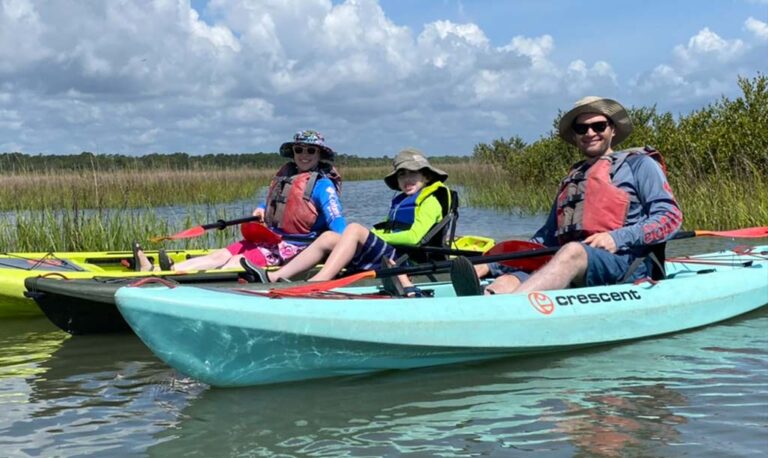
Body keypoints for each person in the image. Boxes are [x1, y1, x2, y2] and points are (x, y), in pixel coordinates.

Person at [452, 96, 683, 295]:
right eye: (582, 129)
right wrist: (494, 263)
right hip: (573, 264)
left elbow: (670, 218)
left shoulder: (639, 165)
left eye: (599, 126)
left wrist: (616, 238)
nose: (590, 133)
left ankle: (514, 309)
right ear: (574, 136)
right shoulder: (573, 177)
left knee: (573, 250)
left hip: (628, 264)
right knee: (505, 281)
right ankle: (488, 303)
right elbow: (544, 240)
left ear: (612, 130)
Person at [242, 148, 452, 294]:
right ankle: (274, 277)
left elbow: (415, 238)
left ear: (425, 175)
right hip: (395, 253)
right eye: (402, 175)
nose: (406, 180)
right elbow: (389, 228)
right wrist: (367, 235)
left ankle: (320, 281)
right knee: (329, 236)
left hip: (411, 261)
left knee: (353, 229)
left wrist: (368, 235)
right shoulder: (403, 200)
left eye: (412, 174)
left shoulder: (432, 199)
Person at [135, 130, 346, 272]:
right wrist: (261, 209)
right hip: (272, 240)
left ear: (319, 154)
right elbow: (276, 205)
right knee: (221, 254)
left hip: (297, 247)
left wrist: (333, 253)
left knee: (236, 262)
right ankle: (167, 270)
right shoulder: (286, 178)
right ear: (293, 152)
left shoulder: (323, 186)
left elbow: (338, 226)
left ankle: (197, 281)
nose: (304, 155)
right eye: (299, 150)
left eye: (311, 150)